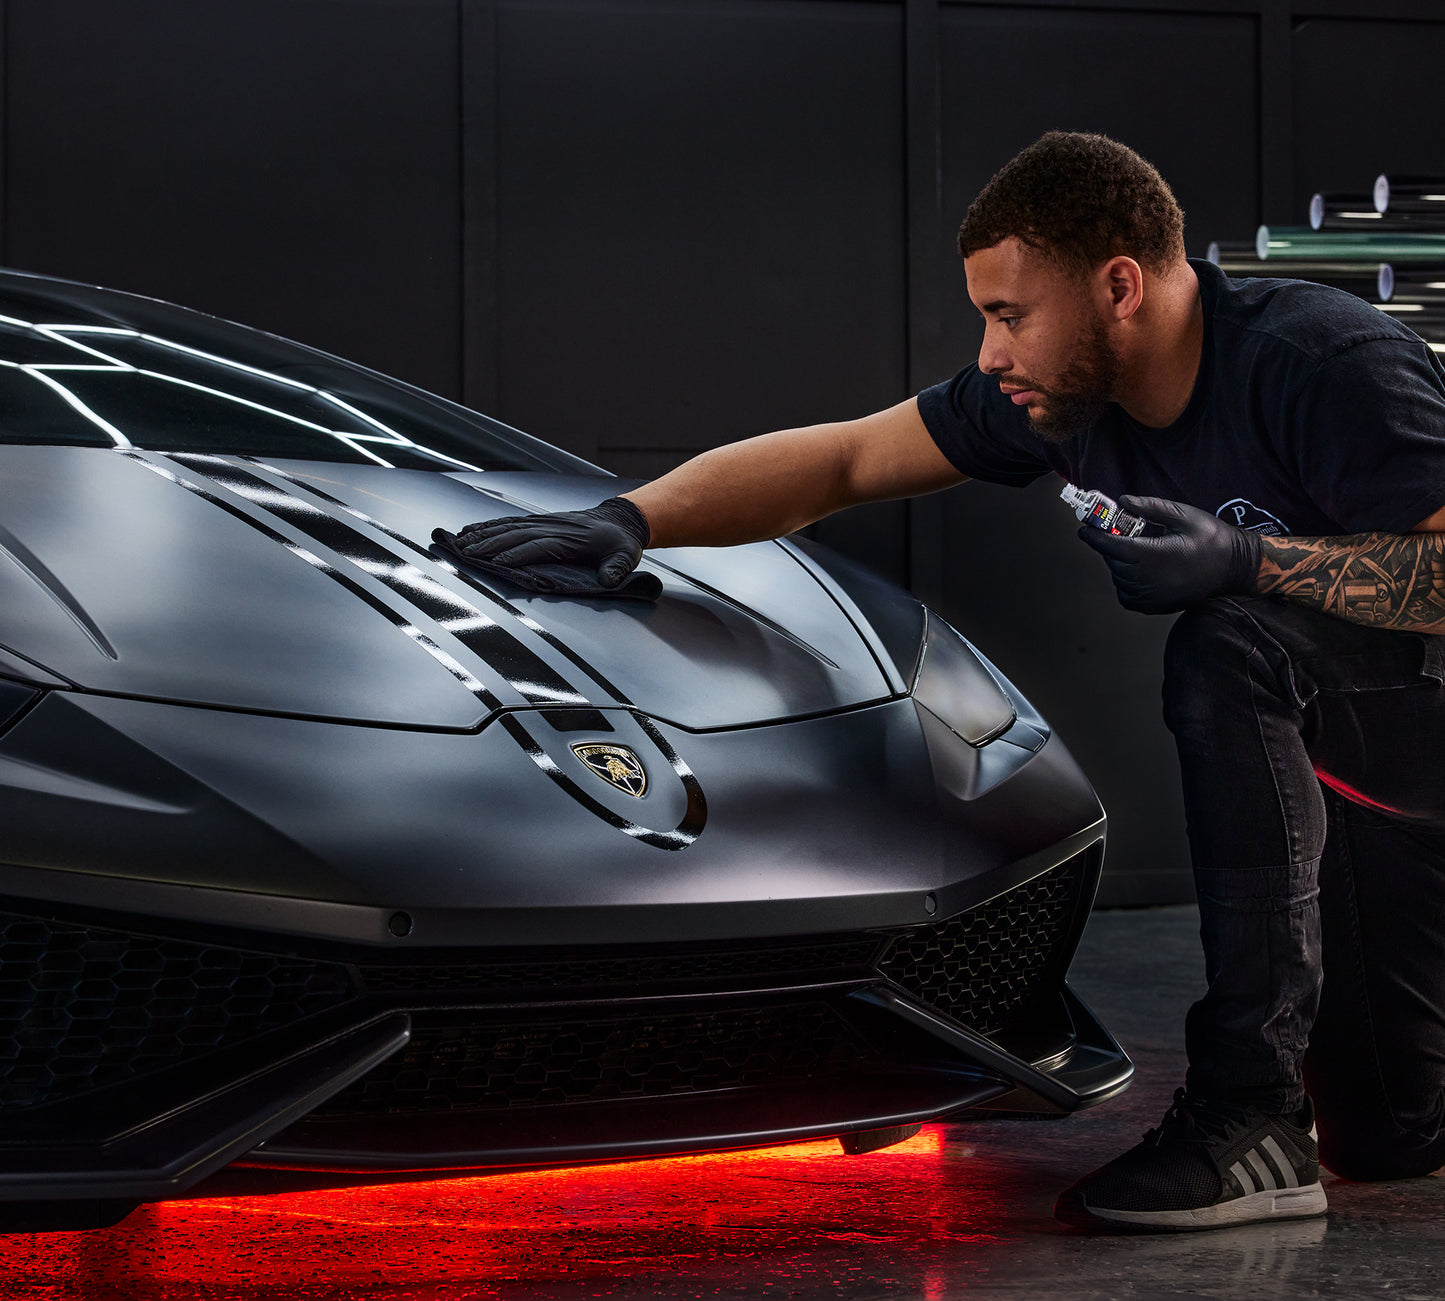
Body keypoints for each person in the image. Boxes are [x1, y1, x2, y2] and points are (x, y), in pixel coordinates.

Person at [433, 131, 1445, 1232]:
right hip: (1357, 780)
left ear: (1116, 285)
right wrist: (626, 519)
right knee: (1387, 1136)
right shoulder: (1060, 397)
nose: (992, 349)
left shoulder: (1323, 361)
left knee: (1229, 635)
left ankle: (1245, 1109)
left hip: (1419, 744)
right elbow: (844, 460)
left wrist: (1245, 560)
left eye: (1010, 314)